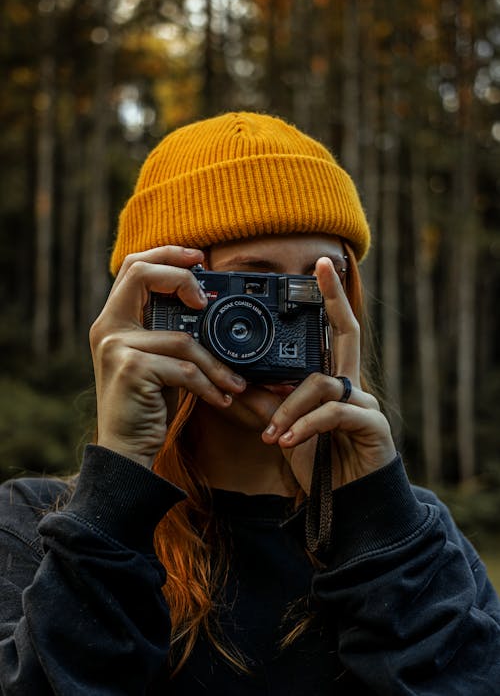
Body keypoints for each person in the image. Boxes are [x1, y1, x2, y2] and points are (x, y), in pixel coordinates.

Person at [0, 111, 498, 695]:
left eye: (315, 288)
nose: (283, 321)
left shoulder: (412, 533)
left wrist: (371, 515)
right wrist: (116, 492)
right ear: (156, 305)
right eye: (248, 289)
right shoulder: (39, 530)